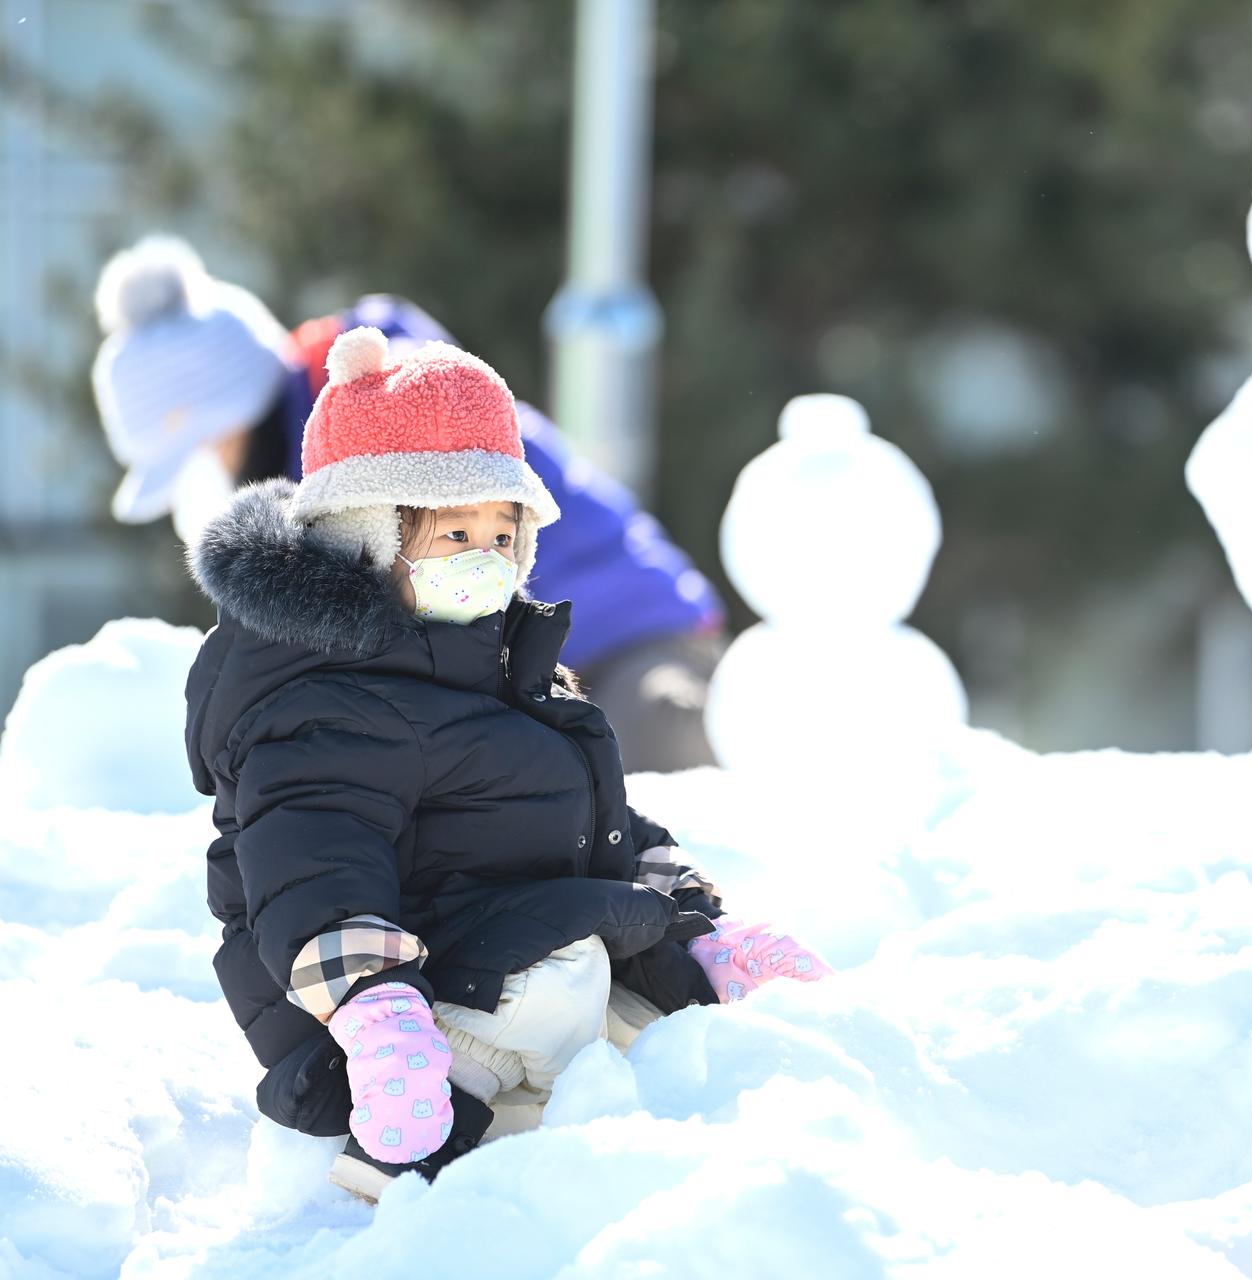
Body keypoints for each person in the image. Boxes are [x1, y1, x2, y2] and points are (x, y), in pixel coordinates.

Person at [183, 325, 827, 1201]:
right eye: (456, 535)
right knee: (551, 1029)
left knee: (666, 1030)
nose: (486, 560)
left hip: (508, 950)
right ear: (368, 538)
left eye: (503, 532)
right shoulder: (322, 701)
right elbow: (314, 859)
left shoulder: (494, 659)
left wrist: (692, 922)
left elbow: (588, 821)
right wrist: (375, 1010)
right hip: (389, 1014)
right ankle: (422, 1156)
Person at [96, 236, 723, 771]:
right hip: (542, 668)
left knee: (664, 760)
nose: (211, 478)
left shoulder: (394, 418)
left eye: (201, 454)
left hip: (631, 646)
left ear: (226, 418)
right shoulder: (318, 447)